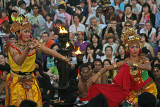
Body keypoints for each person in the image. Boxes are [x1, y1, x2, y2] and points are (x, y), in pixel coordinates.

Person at [5, 16, 71, 107]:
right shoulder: (12, 46)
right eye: (25, 32)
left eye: (29, 31)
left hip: (30, 79)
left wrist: (64, 58)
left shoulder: (33, 43)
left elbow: (49, 51)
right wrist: (27, 49)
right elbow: (18, 61)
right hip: (16, 80)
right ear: (18, 33)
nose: (28, 34)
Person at [87, 28, 157, 107]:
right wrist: (97, 75)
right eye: (132, 47)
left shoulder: (144, 59)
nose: (135, 49)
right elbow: (107, 68)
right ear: (127, 49)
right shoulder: (124, 62)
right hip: (133, 93)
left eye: (137, 47)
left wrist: (133, 64)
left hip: (147, 89)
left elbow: (148, 67)